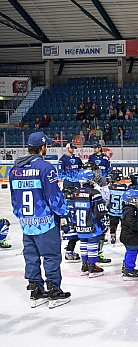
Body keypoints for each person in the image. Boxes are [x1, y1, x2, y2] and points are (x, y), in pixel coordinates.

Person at [10, 131, 70, 309]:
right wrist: (64, 213)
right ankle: (53, 291)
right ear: (42, 147)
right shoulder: (45, 168)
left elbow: (14, 199)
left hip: (27, 223)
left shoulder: (15, 169)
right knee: (51, 256)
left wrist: (22, 217)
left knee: (31, 256)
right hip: (45, 222)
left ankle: (35, 291)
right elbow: (54, 197)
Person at [71, 169, 108, 278]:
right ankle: (92, 266)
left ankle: (84, 265)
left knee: (83, 242)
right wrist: (103, 222)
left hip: (80, 224)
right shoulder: (94, 193)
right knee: (92, 242)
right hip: (92, 224)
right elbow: (99, 211)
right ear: (90, 180)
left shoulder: (76, 192)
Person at [120, 189, 138, 280]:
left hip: (126, 235)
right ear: (132, 200)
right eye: (137, 198)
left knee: (129, 251)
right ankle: (129, 269)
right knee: (132, 252)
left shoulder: (128, 209)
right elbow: (132, 224)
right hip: (130, 236)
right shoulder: (131, 211)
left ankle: (127, 266)